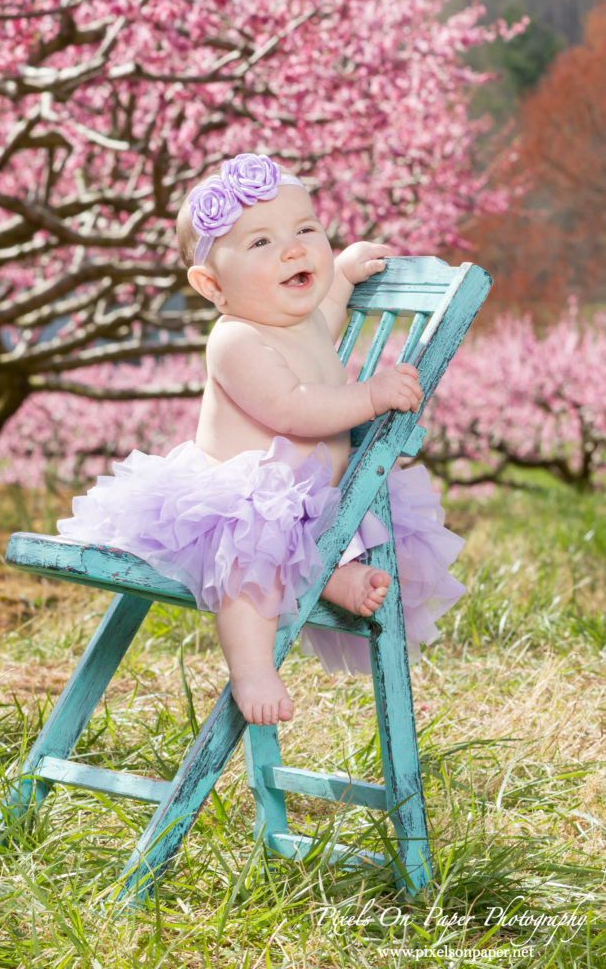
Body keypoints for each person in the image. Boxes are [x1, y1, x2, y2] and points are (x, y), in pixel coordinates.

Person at [58, 153, 464, 726]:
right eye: (261, 244)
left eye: (305, 231)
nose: (294, 250)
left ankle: (331, 573)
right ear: (212, 286)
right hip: (237, 500)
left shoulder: (295, 321)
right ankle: (251, 667)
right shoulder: (235, 341)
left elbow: (323, 320)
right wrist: (369, 397)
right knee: (253, 557)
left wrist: (342, 275)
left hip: (308, 499)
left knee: (312, 522)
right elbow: (293, 408)